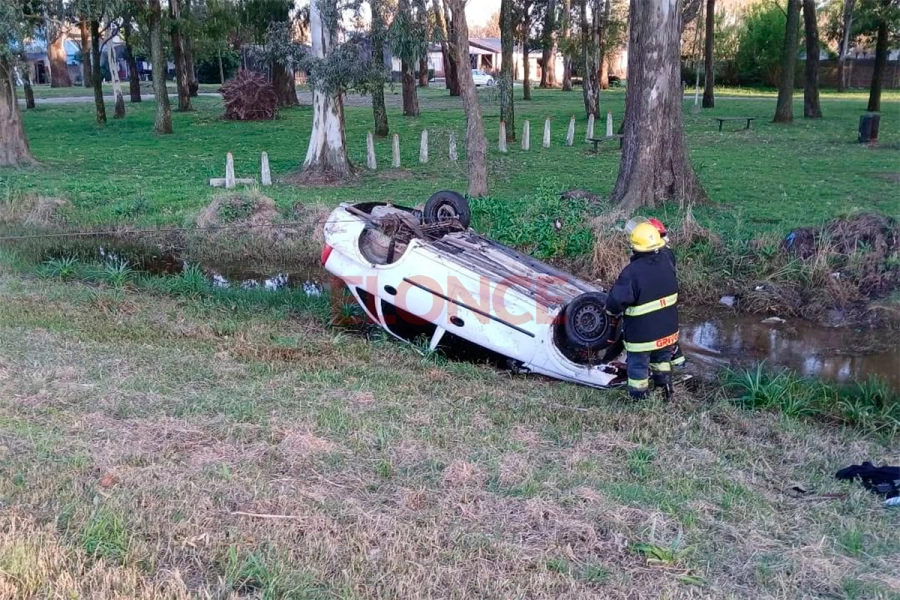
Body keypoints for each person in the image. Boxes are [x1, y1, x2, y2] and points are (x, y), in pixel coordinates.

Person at [604, 222, 679, 400]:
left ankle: (639, 399)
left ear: (635, 248)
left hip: (642, 335)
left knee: (638, 366)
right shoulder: (667, 260)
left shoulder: (632, 272)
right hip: (668, 329)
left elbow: (616, 301)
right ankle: (665, 389)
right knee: (662, 360)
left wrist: (609, 312)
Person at [647, 217, 686, 371]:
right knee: (667, 331)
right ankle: (679, 364)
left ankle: (661, 366)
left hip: (656, 298)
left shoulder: (658, 255)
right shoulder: (667, 252)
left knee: (656, 332)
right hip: (667, 298)